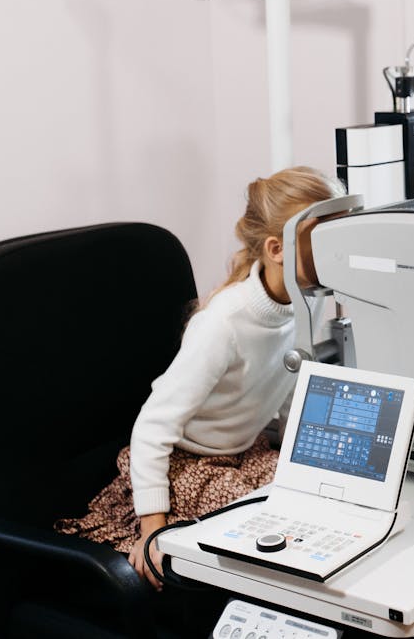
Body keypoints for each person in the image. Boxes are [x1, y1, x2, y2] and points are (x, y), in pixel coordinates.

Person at [55, 165, 342, 588]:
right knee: (260, 518)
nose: (339, 253)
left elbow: (284, 386)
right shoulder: (223, 323)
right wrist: (153, 527)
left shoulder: (307, 303)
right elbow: (152, 427)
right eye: (325, 242)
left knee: (326, 491)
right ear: (277, 249)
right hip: (185, 461)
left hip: (244, 451)